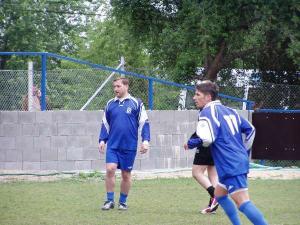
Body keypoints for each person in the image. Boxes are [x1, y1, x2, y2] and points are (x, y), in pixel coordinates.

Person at [191, 80, 268, 225]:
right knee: (219, 195)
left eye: (197, 94)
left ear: (208, 97)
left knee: (243, 203)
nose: (194, 97)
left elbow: (208, 139)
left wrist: (194, 141)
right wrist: (244, 152)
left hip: (230, 164)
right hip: (234, 162)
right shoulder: (230, 110)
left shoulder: (207, 111)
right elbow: (251, 129)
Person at [98, 77, 150, 211]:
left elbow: (144, 123)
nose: (115, 89)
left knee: (126, 175)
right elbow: (105, 124)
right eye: (114, 86)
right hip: (113, 146)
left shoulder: (136, 103)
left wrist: (145, 141)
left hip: (129, 147)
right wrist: (102, 140)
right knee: (110, 169)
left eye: (118, 86)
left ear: (126, 86)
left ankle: (123, 202)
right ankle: (109, 201)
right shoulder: (110, 104)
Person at [184, 133, 219, 214]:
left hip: (205, 146)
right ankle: (212, 207)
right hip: (217, 146)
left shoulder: (207, 120)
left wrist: (190, 143)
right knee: (213, 174)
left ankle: (215, 196)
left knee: (196, 173)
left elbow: (203, 132)